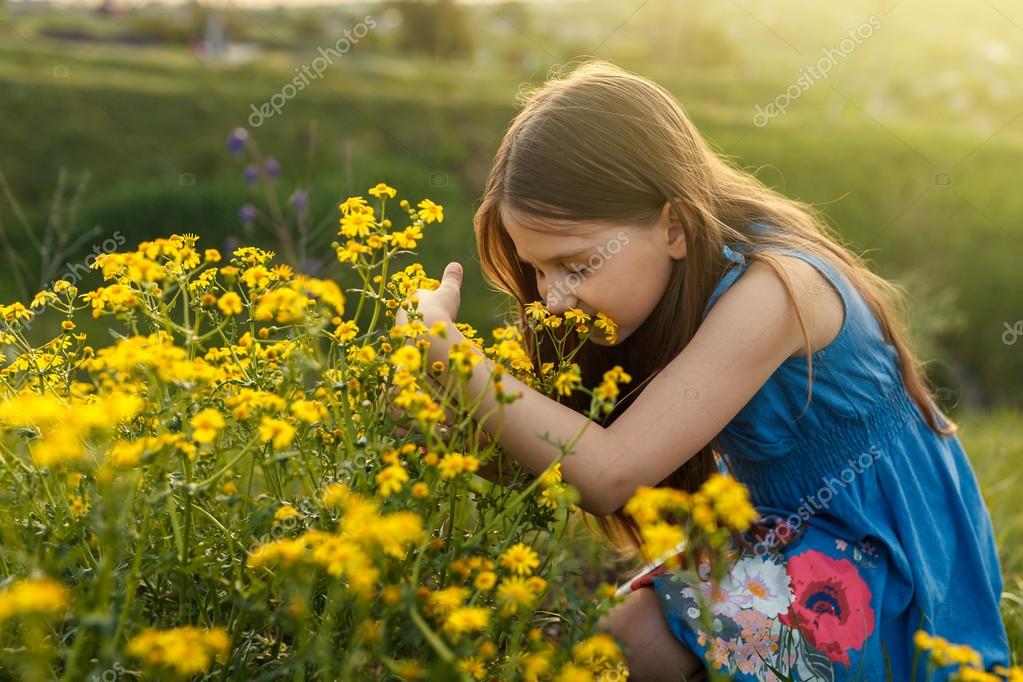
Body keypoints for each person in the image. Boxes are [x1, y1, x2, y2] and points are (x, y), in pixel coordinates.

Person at [395, 60, 1010, 680]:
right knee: (619, 645)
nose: (552, 298)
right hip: (783, 527)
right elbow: (569, 455)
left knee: (629, 647)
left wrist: (451, 350)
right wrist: (445, 425)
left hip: (881, 546)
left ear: (673, 227)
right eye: (537, 269)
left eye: (576, 265)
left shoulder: (776, 293)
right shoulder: (665, 288)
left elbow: (606, 474)